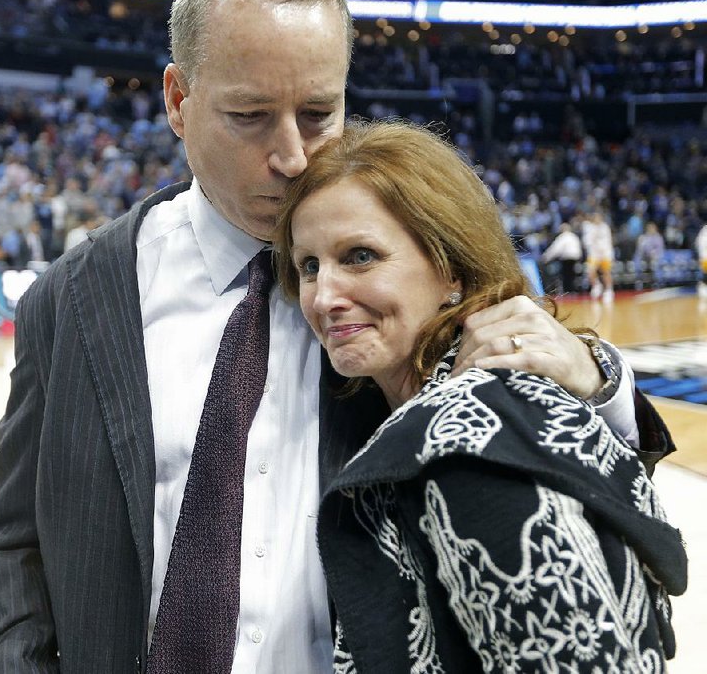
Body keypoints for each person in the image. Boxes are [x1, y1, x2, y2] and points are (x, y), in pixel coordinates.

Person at [0, 0, 673, 672]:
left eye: (317, 112)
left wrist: (599, 385)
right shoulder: (72, 298)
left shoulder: (394, 272)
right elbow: (10, 546)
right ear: (178, 101)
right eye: (250, 115)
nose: (293, 154)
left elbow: (573, 491)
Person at [275, 119, 686, 671]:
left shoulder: (462, 447)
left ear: (450, 268)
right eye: (309, 266)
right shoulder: (471, 401)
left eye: (360, 256)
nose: (324, 297)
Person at [582, 210, 615, 302]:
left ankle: (609, 290)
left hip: (605, 253)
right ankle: (596, 285)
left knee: (606, 272)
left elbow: (608, 242)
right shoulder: (590, 228)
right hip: (594, 253)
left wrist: (608, 254)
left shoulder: (605, 228)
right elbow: (586, 242)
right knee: (590, 270)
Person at [540, 221, 582, 293]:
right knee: (572, 276)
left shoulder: (563, 237)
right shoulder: (574, 236)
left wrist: (545, 257)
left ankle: (568, 292)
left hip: (567, 259)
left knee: (566, 276)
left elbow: (555, 249)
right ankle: (573, 291)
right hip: (575, 259)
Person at [634, 221, 666, 288]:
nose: (650, 229)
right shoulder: (643, 237)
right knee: (637, 259)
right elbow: (640, 250)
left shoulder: (658, 237)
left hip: (656, 257)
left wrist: (653, 254)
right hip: (645, 257)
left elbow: (660, 250)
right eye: (649, 228)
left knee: (657, 263)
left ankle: (658, 282)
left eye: (652, 228)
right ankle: (638, 281)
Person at [696, 220, 707, 299]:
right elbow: (700, 245)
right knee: (705, 274)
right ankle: (702, 288)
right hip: (705, 257)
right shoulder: (704, 231)